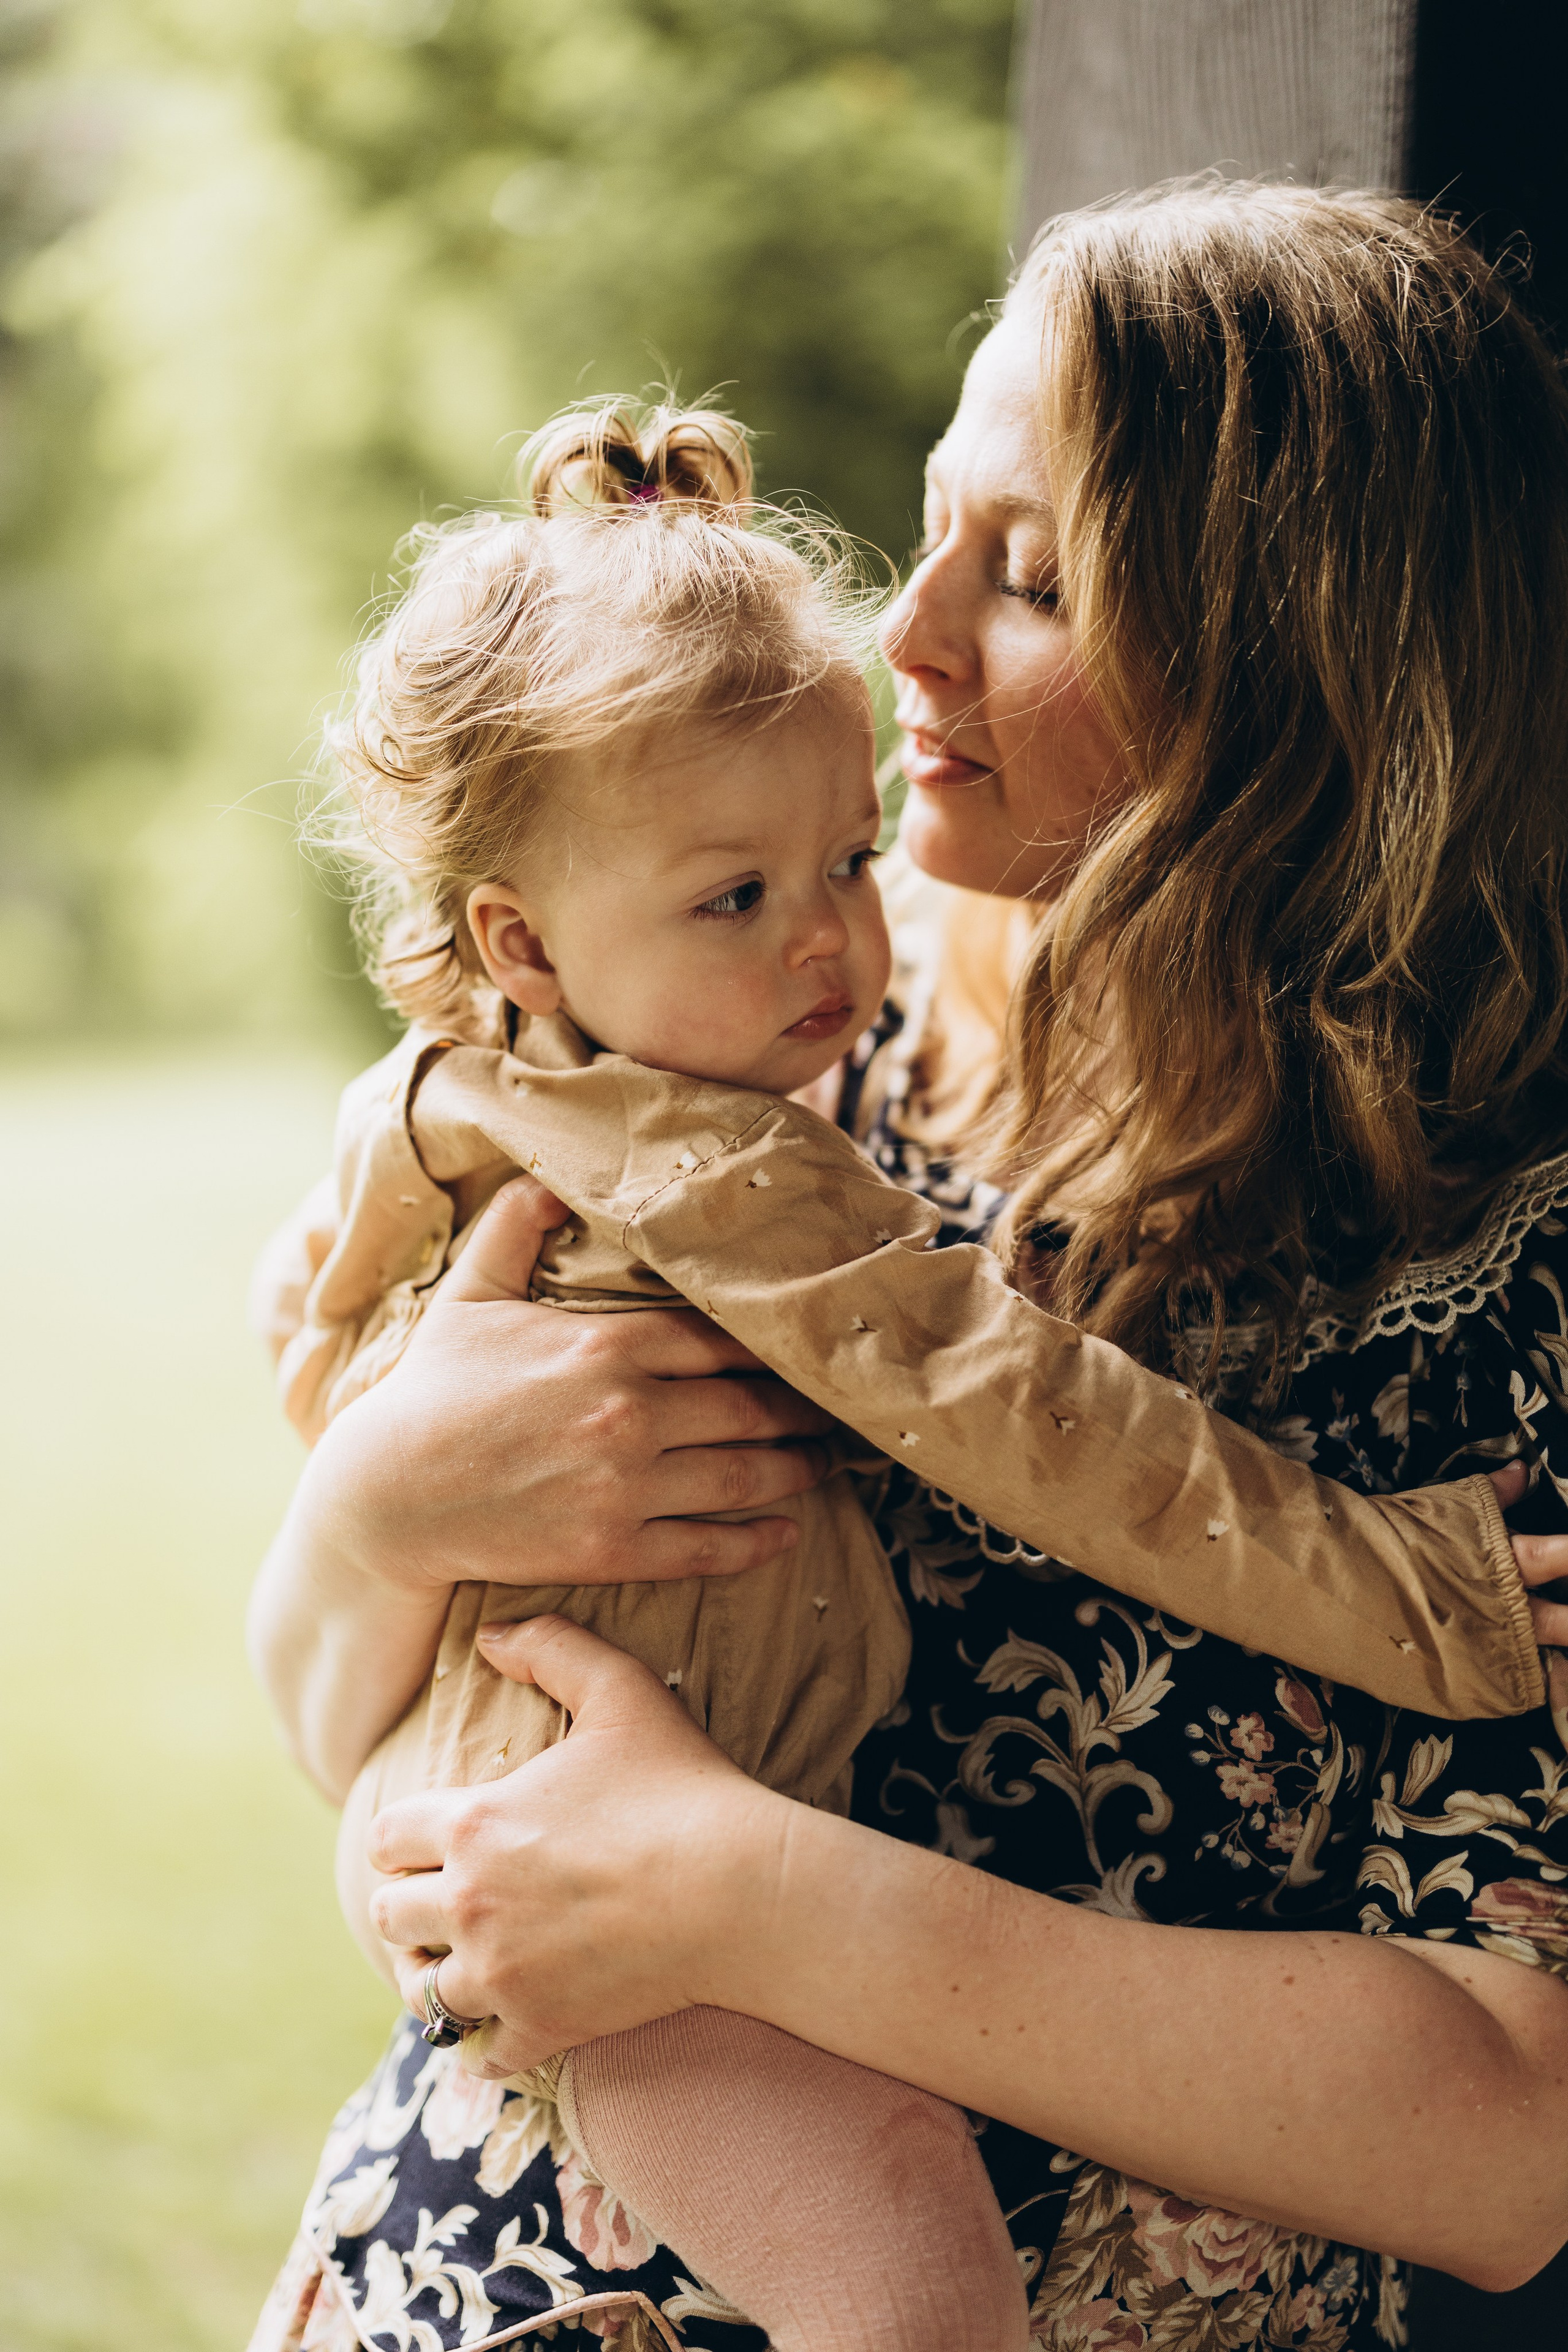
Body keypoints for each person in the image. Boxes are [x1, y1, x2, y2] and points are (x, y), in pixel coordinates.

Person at [249, 186, 1568, 2352]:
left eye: (1033, 577)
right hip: (451, 2273)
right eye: (940, 531)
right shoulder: (768, 1049)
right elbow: (358, 1728)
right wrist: (371, 1508)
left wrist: (760, 1899)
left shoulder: (1495, 1279)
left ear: (1294, 664)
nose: (910, 633)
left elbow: (1514, 2146)